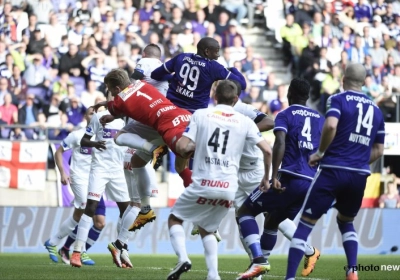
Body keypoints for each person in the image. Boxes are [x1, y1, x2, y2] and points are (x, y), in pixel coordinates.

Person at [285, 64, 385, 280]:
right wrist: (356, 160)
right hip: (359, 175)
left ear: (343, 79)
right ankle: (352, 271)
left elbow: (331, 126)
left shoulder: (338, 100)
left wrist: (320, 152)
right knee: (346, 221)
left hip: (332, 170)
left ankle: (290, 278)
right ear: (365, 81)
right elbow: (379, 150)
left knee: (304, 224)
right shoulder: (376, 110)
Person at [166, 80, 272, 280]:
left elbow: (182, 146)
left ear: (214, 96)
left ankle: (182, 258)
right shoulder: (246, 121)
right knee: (207, 227)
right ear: (235, 99)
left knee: (175, 219)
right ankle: (213, 275)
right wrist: (266, 178)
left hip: (204, 181)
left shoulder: (201, 114)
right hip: (228, 187)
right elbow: (267, 150)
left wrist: (185, 147)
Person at [236, 78, 324, 280]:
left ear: (289, 93)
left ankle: (259, 260)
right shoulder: (320, 118)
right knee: (272, 222)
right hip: (310, 183)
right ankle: (260, 270)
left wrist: (273, 176)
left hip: (289, 178)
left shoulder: (285, 114)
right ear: (308, 96)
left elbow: (280, 143)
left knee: (244, 211)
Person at [111, 44, 170, 232]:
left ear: (144, 54)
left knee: (120, 137)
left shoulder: (146, 62)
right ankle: (146, 208)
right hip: (165, 118)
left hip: (148, 114)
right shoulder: (165, 69)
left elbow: (133, 79)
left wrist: (123, 91)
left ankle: (153, 150)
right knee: (137, 162)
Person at [70, 107, 130, 268]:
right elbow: (84, 140)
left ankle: (121, 250)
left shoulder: (126, 118)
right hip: (100, 169)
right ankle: (76, 252)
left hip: (118, 170)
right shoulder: (99, 117)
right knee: (90, 206)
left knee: (128, 211)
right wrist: (95, 143)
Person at [44, 108, 105, 266]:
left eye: (96, 113)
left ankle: (53, 242)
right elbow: (58, 152)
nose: (94, 116)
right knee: (87, 208)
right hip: (78, 178)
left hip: (94, 180)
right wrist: (62, 173)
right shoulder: (77, 135)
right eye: (91, 113)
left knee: (78, 215)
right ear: (85, 117)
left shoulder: (102, 136)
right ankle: (81, 251)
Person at [151, 37, 246, 113]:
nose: (218, 55)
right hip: (194, 114)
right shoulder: (214, 67)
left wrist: (172, 79)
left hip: (170, 108)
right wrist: (233, 69)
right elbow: (242, 84)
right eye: (216, 51)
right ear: (207, 51)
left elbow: (155, 74)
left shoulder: (182, 57)